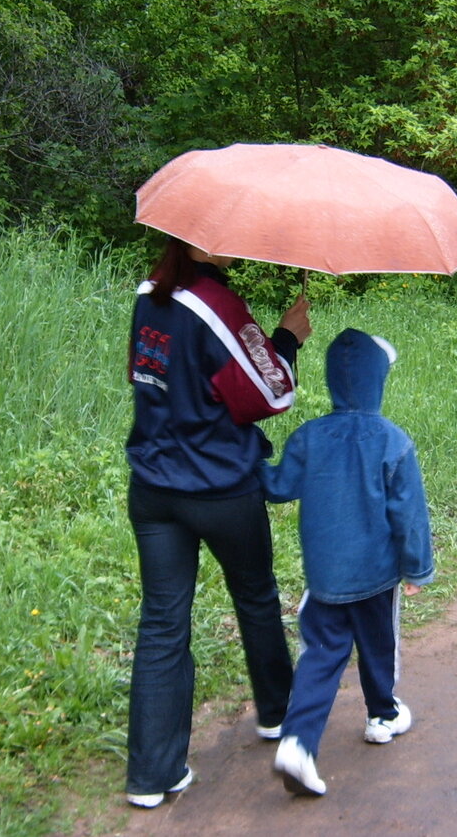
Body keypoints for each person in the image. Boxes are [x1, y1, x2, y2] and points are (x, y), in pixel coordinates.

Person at [122, 237, 311, 809]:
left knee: (161, 623)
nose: (242, 245)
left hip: (153, 486)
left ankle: (152, 776)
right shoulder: (219, 306)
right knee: (255, 596)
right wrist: (287, 338)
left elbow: (151, 377)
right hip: (220, 487)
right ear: (205, 241)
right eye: (231, 236)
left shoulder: (148, 293)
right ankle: (277, 714)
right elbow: (270, 393)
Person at [259, 328, 434, 796]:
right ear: (379, 381)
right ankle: (383, 715)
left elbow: (276, 488)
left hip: (324, 575)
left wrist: (253, 456)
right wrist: (417, 568)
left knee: (320, 654)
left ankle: (297, 743)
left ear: (332, 380)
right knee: (379, 644)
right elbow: (410, 515)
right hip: (376, 575)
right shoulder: (393, 441)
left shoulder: (309, 436)